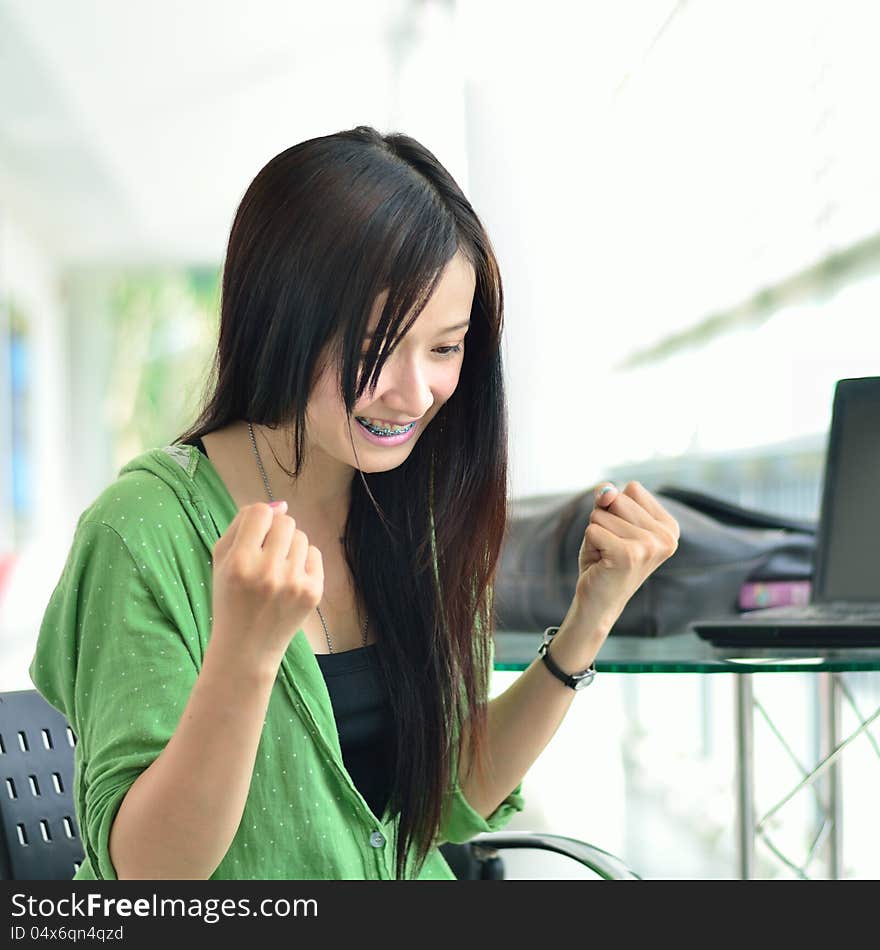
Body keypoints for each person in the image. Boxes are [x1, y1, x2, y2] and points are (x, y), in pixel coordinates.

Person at [29, 125, 680, 881]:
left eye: (444, 348)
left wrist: (588, 620)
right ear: (278, 320)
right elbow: (148, 877)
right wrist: (244, 651)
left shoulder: (411, 514)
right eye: (376, 344)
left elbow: (445, 804)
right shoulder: (142, 530)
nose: (414, 393)